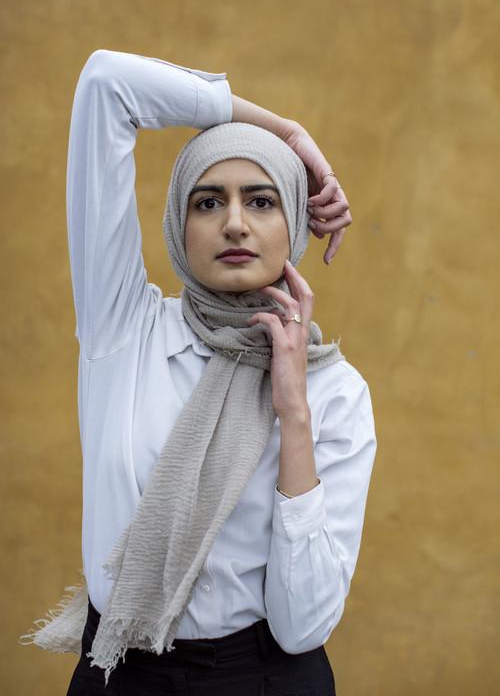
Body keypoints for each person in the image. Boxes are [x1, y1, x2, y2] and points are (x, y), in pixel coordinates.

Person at [19, 49, 377, 695]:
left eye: (263, 200)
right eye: (208, 201)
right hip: (120, 673)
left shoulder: (335, 391)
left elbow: (303, 627)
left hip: (264, 677)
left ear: (294, 221)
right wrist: (288, 132)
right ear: (179, 226)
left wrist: (292, 411)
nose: (235, 222)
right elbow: (107, 83)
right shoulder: (124, 330)